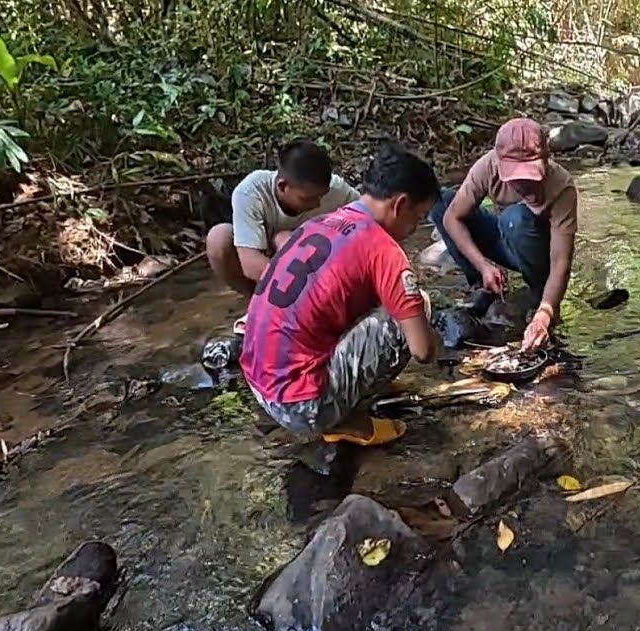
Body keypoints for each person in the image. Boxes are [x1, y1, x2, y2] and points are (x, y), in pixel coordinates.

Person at [239, 144, 440, 446]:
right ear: (400, 205)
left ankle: (344, 392)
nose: (415, 228)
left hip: (260, 384)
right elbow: (422, 350)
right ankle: (346, 418)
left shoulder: (317, 224)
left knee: (370, 298)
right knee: (415, 310)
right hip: (302, 407)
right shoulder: (382, 249)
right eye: (419, 216)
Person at [430, 117, 578, 352]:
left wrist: (545, 312)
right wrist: (483, 265)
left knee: (515, 218)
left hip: (538, 253)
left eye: (529, 176)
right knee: (442, 203)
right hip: (502, 240)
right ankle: (481, 285)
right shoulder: (487, 167)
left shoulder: (561, 187)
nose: (521, 184)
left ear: (546, 160)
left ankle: (537, 293)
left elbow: (561, 261)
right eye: (515, 176)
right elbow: (451, 218)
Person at [205, 140, 360, 331]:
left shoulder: (336, 190)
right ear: (282, 186)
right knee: (218, 238)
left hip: (319, 263)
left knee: (285, 238)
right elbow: (250, 263)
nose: (318, 204)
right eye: (308, 198)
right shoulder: (251, 192)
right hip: (281, 272)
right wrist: (303, 290)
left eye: (322, 196)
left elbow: (368, 219)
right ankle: (260, 303)